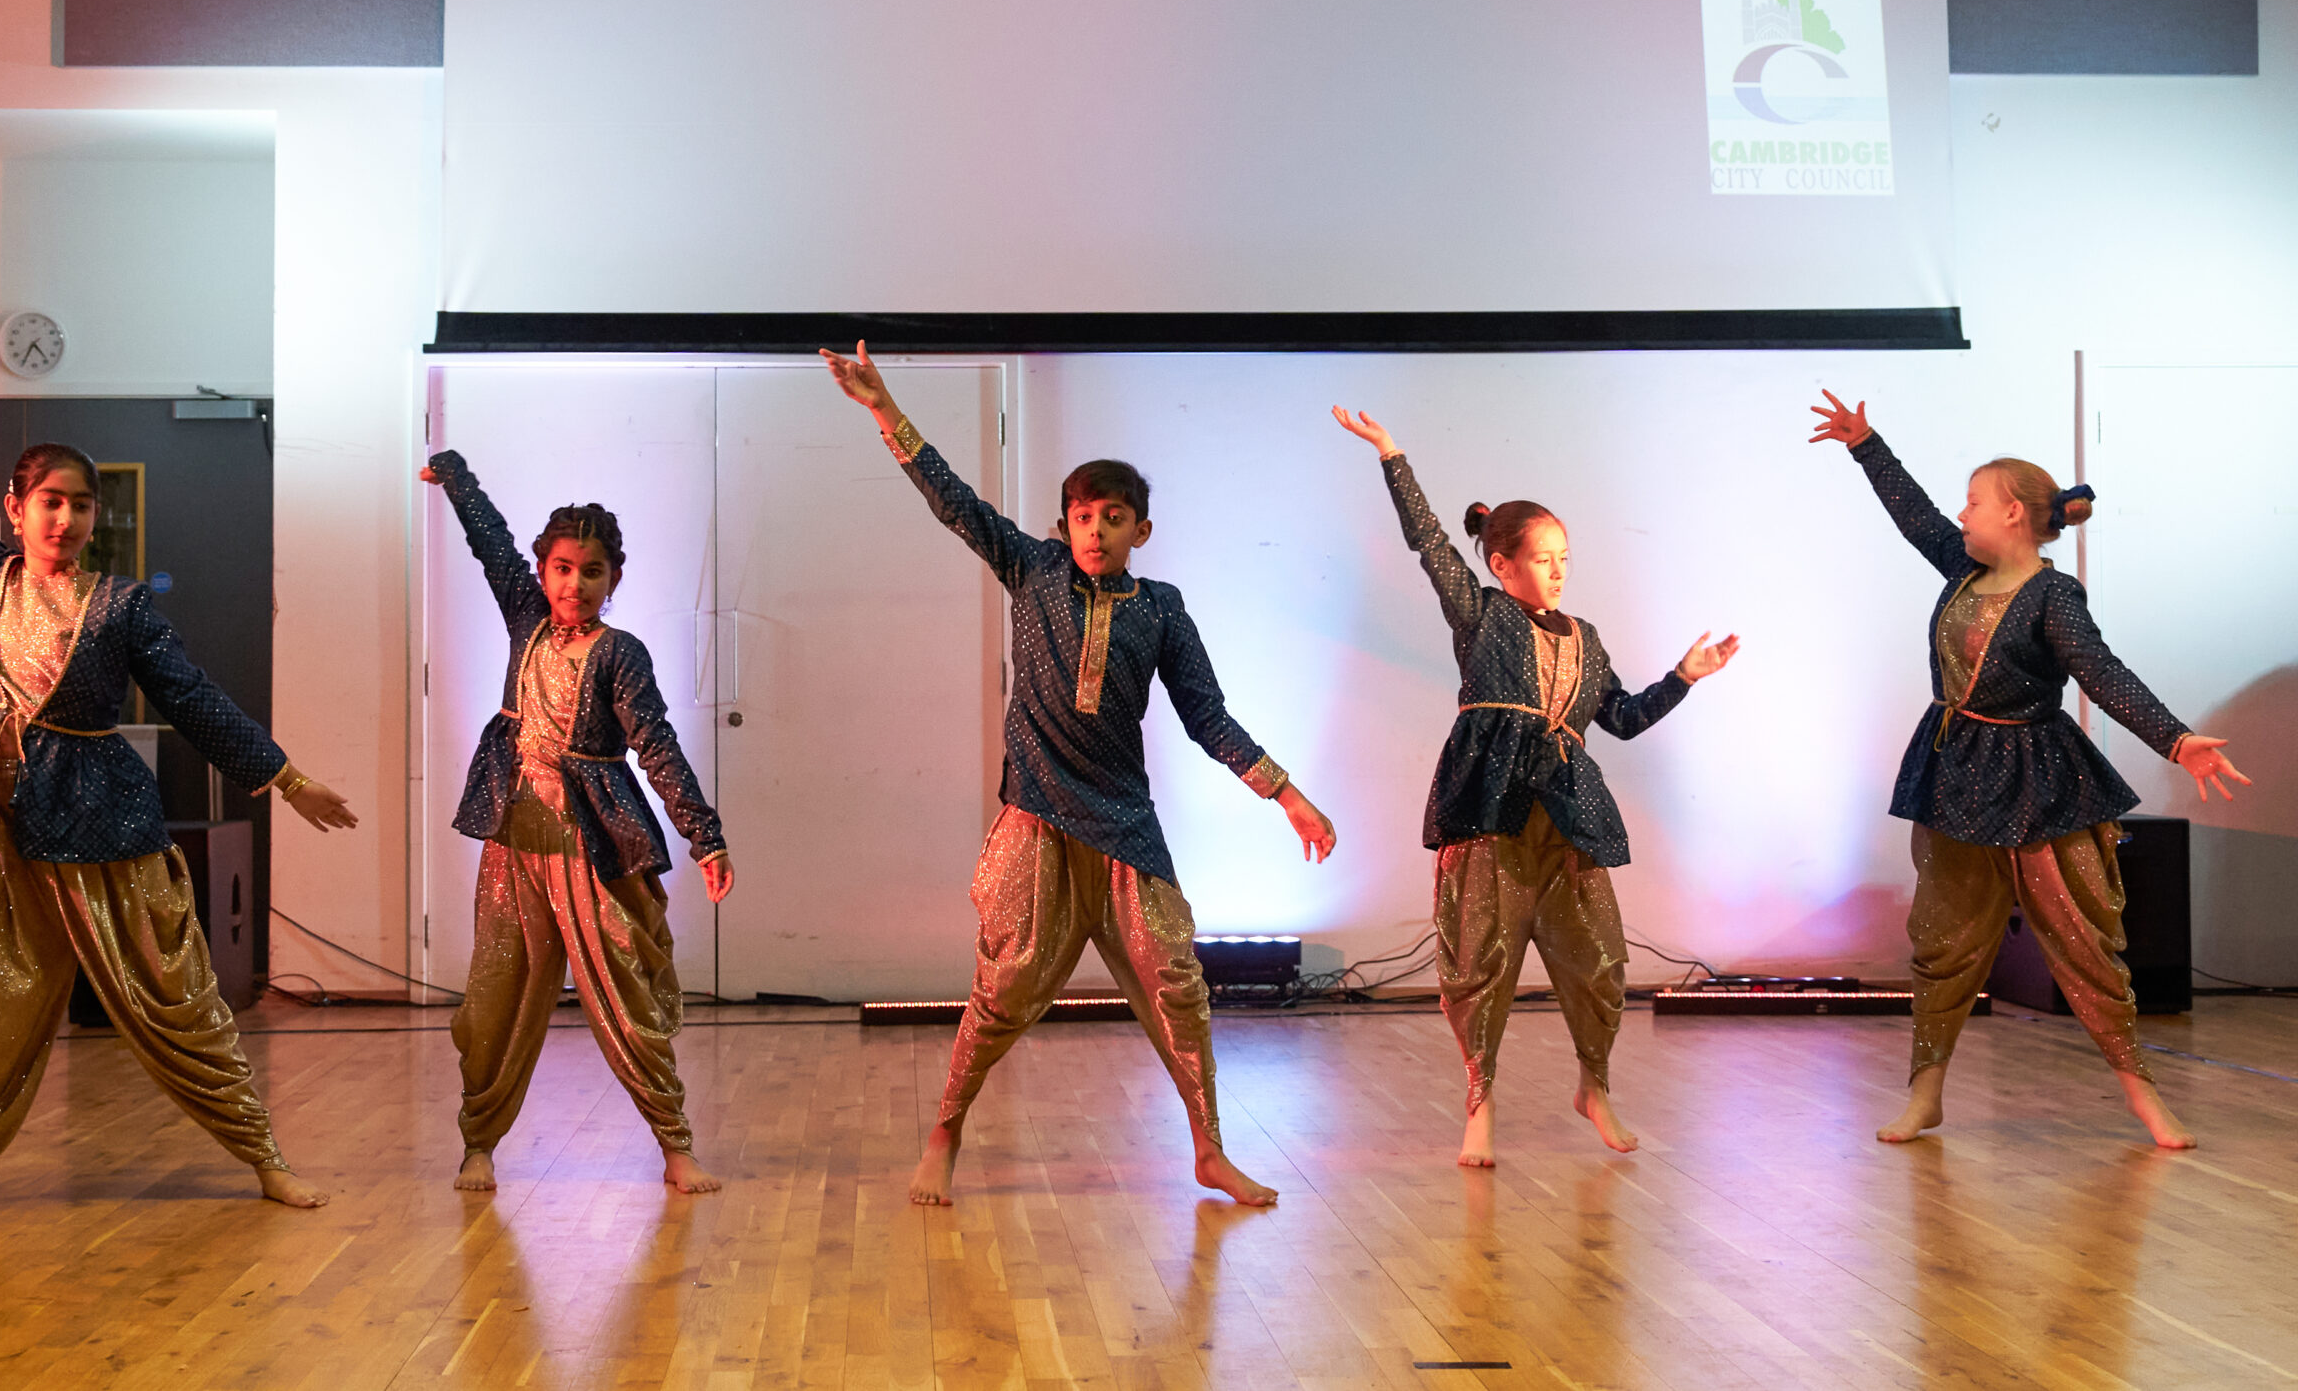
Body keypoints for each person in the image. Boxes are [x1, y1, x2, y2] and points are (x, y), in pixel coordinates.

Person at [820, 343, 1338, 1208]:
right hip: (1037, 817)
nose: (1095, 530)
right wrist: (884, 407)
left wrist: (1287, 793)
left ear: (1142, 529)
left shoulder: (1162, 610)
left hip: (1124, 823)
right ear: (1063, 526)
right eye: (1082, 516)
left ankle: (1208, 1150)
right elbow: (953, 500)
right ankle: (945, 1132)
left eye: (1113, 516)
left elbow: (1206, 717)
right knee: (1006, 988)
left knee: (1177, 979)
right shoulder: (1033, 569)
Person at [0, 391, 354, 1219]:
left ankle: (261, 1154)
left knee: (172, 994)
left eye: (81, 505)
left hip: (98, 820)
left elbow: (190, 698)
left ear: (97, 516)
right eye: (50, 502)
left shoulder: (121, 606)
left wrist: (283, 776)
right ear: (15, 510)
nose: (65, 519)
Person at [1810, 390, 2249, 1148]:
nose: (1961, 514)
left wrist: (2176, 741)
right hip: (1955, 771)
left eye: (1974, 502)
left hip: (2040, 779)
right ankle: (1926, 1094)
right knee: (1945, 940)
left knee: (2081, 937)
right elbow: (1915, 514)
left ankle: (2143, 1095)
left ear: (2014, 513)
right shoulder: (1961, 568)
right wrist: (1866, 445)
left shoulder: (2052, 595)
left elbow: (2103, 675)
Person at [1334, 407, 1736, 1167]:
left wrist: (1685, 677)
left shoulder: (1587, 637)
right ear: (1501, 565)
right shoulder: (1480, 616)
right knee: (1481, 959)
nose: (1557, 569)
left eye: (1564, 556)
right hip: (1490, 802)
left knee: (1599, 959)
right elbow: (1429, 543)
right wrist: (1394, 454)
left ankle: (1595, 1086)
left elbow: (1622, 717)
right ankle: (1479, 1102)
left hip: (1569, 812)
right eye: (1542, 557)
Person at [422, 450, 733, 1196]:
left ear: (612, 579)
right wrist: (459, 479)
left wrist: (705, 835)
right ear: (543, 570)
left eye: (590, 571)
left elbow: (655, 743)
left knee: (627, 993)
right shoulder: (526, 621)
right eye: (562, 568)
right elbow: (492, 544)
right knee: (495, 994)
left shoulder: (621, 655)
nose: (574, 583)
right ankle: (478, 1145)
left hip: (594, 848)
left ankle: (674, 1143)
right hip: (515, 843)